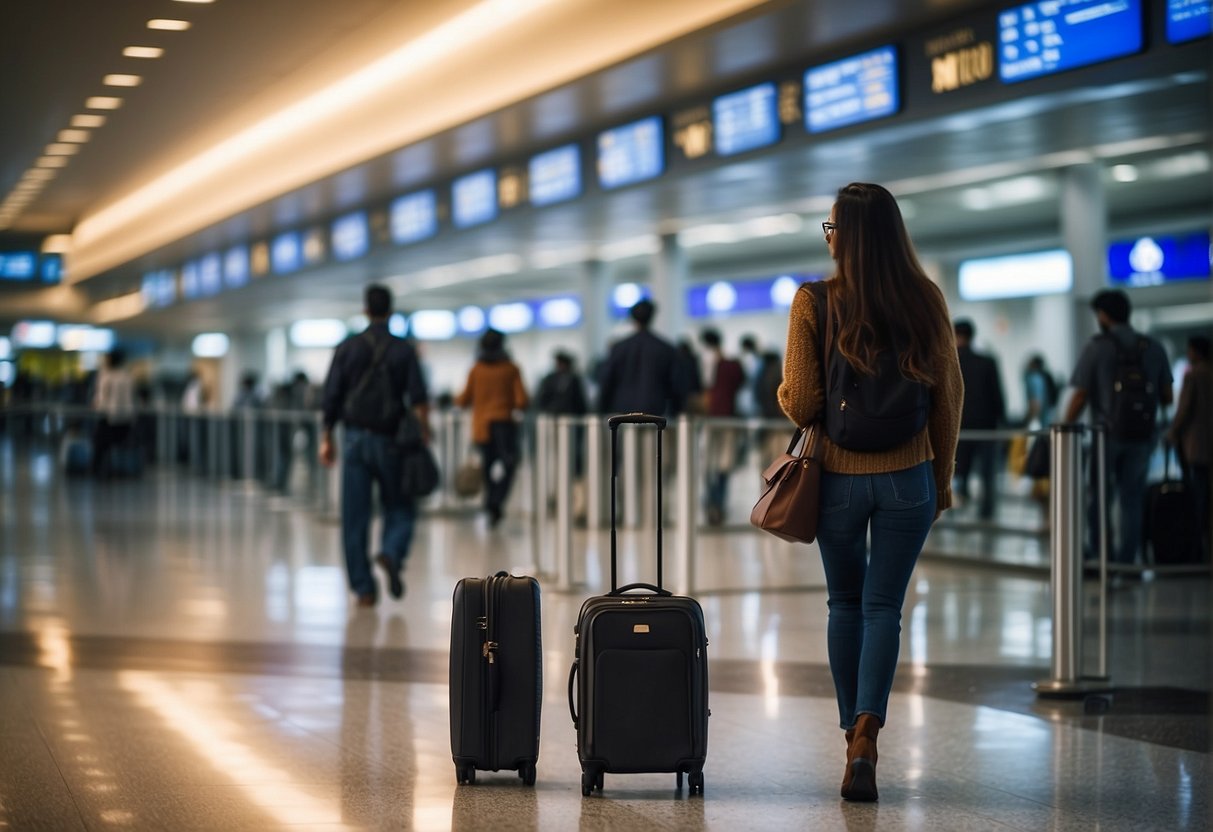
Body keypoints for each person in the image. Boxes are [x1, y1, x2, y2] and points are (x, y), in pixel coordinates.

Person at [777, 182, 963, 802]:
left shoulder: (814, 301)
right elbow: (949, 395)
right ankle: (868, 730)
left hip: (836, 480)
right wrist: (940, 478)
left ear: (843, 237)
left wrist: (786, 396)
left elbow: (802, 401)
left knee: (845, 604)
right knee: (886, 607)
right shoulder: (926, 298)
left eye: (831, 229)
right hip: (909, 475)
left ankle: (849, 735)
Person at [321, 284, 430, 608]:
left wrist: (327, 436)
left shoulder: (347, 348)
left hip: (354, 439)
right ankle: (392, 551)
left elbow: (331, 396)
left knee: (355, 516)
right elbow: (419, 398)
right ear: (391, 311)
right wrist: (423, 431)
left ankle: (364, 589)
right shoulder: (403, 349)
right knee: (400, 504)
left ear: (365, 310)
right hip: (392, 439)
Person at [1064, 289, 1172, 569]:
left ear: (1103, 315)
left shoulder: (1097, 347)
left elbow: (1080, 395)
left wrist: (1064, 427)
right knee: (1131, 498)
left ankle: (1102, 558)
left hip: (1105, 436)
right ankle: (1128, 562)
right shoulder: (1153, 347)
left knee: (1098, 498)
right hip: (1143, 437)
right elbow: (1168, 396)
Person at [455, 328, 528, 528]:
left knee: (487, 466)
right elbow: (522, 400)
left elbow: (463, 399)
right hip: (504, 424)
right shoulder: (511, 368)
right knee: (509, 464)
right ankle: (496, 500)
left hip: (482, 426)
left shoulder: (476, 369)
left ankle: (489, 503)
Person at [952, 319, 1006, 520]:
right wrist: (1002, 420)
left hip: (958, 426)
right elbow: (997, 395)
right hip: (986, 425)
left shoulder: (949, 361)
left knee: (957, 468)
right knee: (987, 472)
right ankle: (986, 511)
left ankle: (957, 504)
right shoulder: (987, 361)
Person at [596, 298, 688, 417]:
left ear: (632, 318)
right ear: (652, 316)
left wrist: (601, 409)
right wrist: (676, 410)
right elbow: (676, 386)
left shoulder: (619, 348)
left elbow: (607, 381)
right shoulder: (666, 348)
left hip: (623, 412)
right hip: (655, 411)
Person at [1165, 335, 1209, 553]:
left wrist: (1172, 433)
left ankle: (1196, 545)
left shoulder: (1193, 377)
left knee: (1198, 496)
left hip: (1198, 446)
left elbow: (1183, 411)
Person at [699, 327, 745, 526]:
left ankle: (711, 503)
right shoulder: (731, 364)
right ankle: (718, 504)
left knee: (708, 464)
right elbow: (740, 383)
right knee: (723, 465)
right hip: (728, 418)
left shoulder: (703, 361)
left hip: (709, 420)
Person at [91, 348, 136, 477]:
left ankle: (98, 469)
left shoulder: (107, 376)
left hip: (110, 417)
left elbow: (101, 398)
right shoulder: (127, 376)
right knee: (116, 444)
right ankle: (113, 468)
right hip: (126, 418)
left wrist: (97, 405)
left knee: (100, 444)